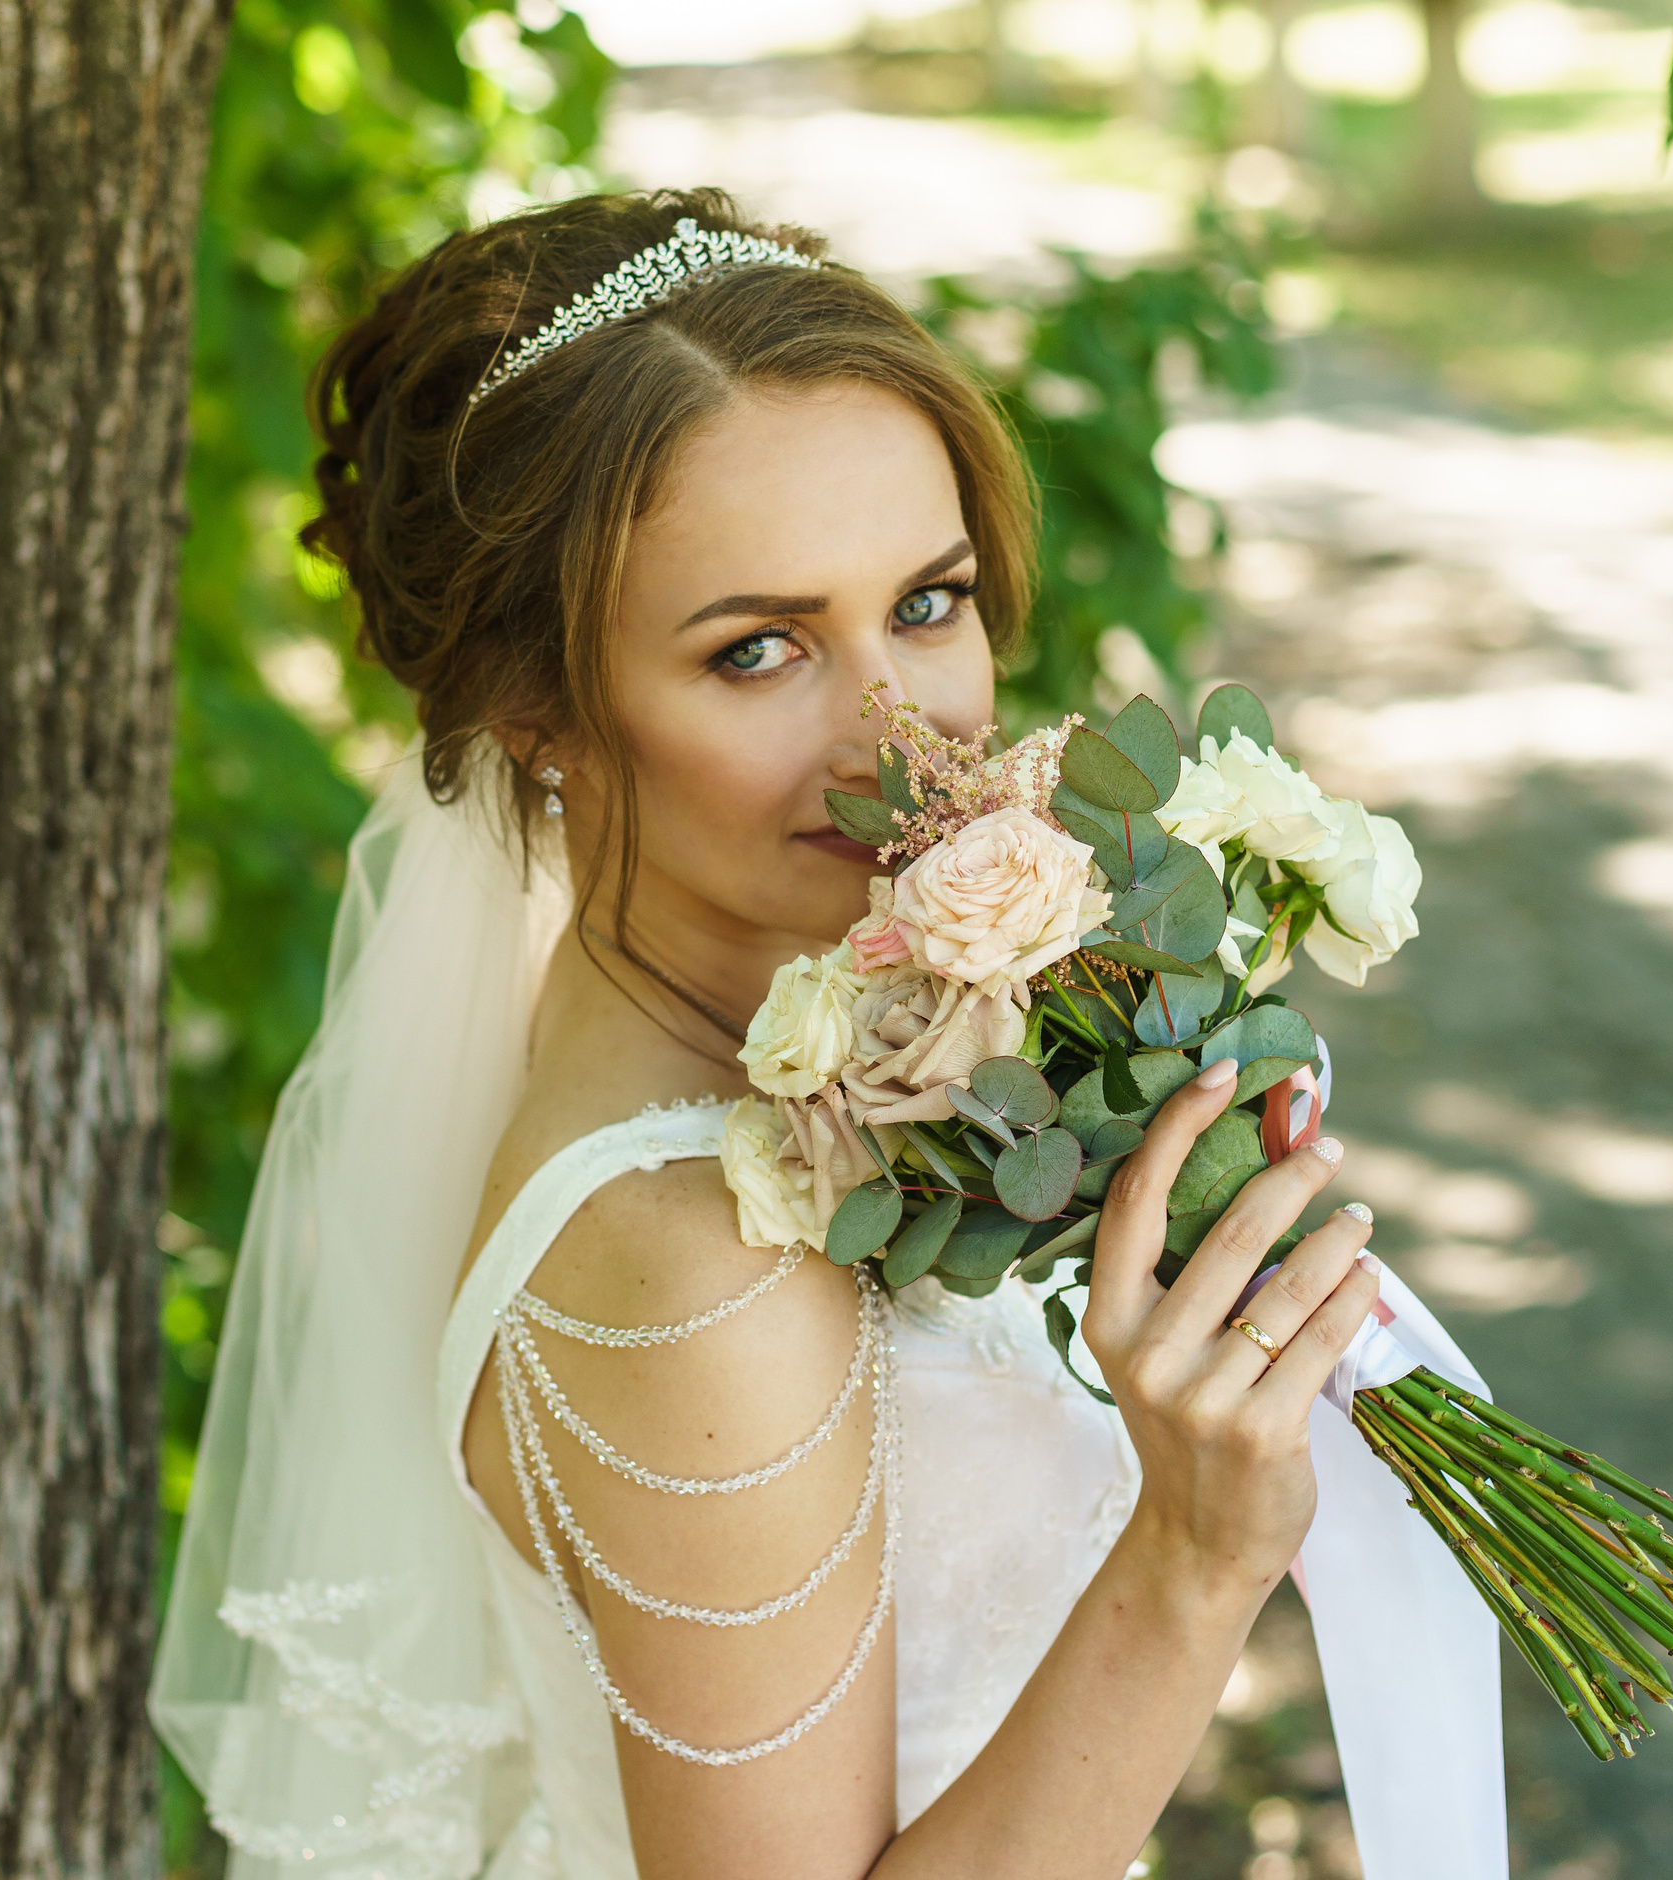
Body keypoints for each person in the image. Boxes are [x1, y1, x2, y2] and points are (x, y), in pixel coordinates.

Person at [152, 190, 1424, 1880]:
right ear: (537, 716)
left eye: (927, 602)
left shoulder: (757, 1035)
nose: (899, 736)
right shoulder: (700, 1275)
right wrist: (1195, 1560)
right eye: (756, 650)